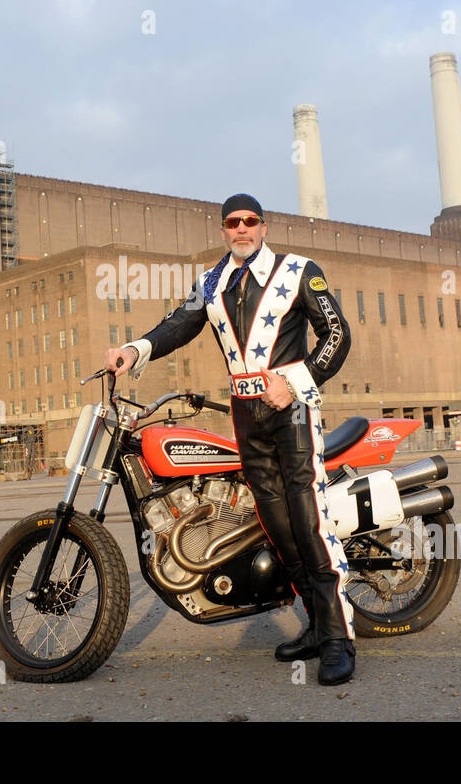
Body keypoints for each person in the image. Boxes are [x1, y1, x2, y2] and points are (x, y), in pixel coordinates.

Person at [103, 193, 356, 685]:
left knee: (309, 522)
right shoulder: (212, 282)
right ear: (223, 230)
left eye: (250, 221)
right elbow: (180, 323)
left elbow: (337, 335)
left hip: (292, 411)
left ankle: (338, 639)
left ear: (264, 226)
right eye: (232, 223)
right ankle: (315, 624)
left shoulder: (300, 271)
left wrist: (297, 381)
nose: (241, 229)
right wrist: (134, 350)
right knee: (277, 524)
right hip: (246, 416)